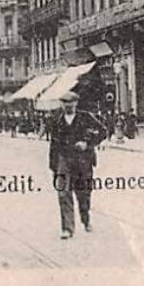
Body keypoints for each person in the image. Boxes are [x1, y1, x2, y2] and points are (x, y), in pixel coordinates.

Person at [48, 91, 107, 239]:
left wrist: (87, 144)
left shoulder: (85, 117)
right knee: (63, 193)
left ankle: (85, 218)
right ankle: (67, 228)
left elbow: (103, 131)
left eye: (71, 102)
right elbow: (53, 144)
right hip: (64, 159)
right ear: (62, 104)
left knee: (83, 193)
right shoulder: (57, 121)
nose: (68, 105)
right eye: (65, 102)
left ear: (76, 103)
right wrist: (54, 165)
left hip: (82, 160)